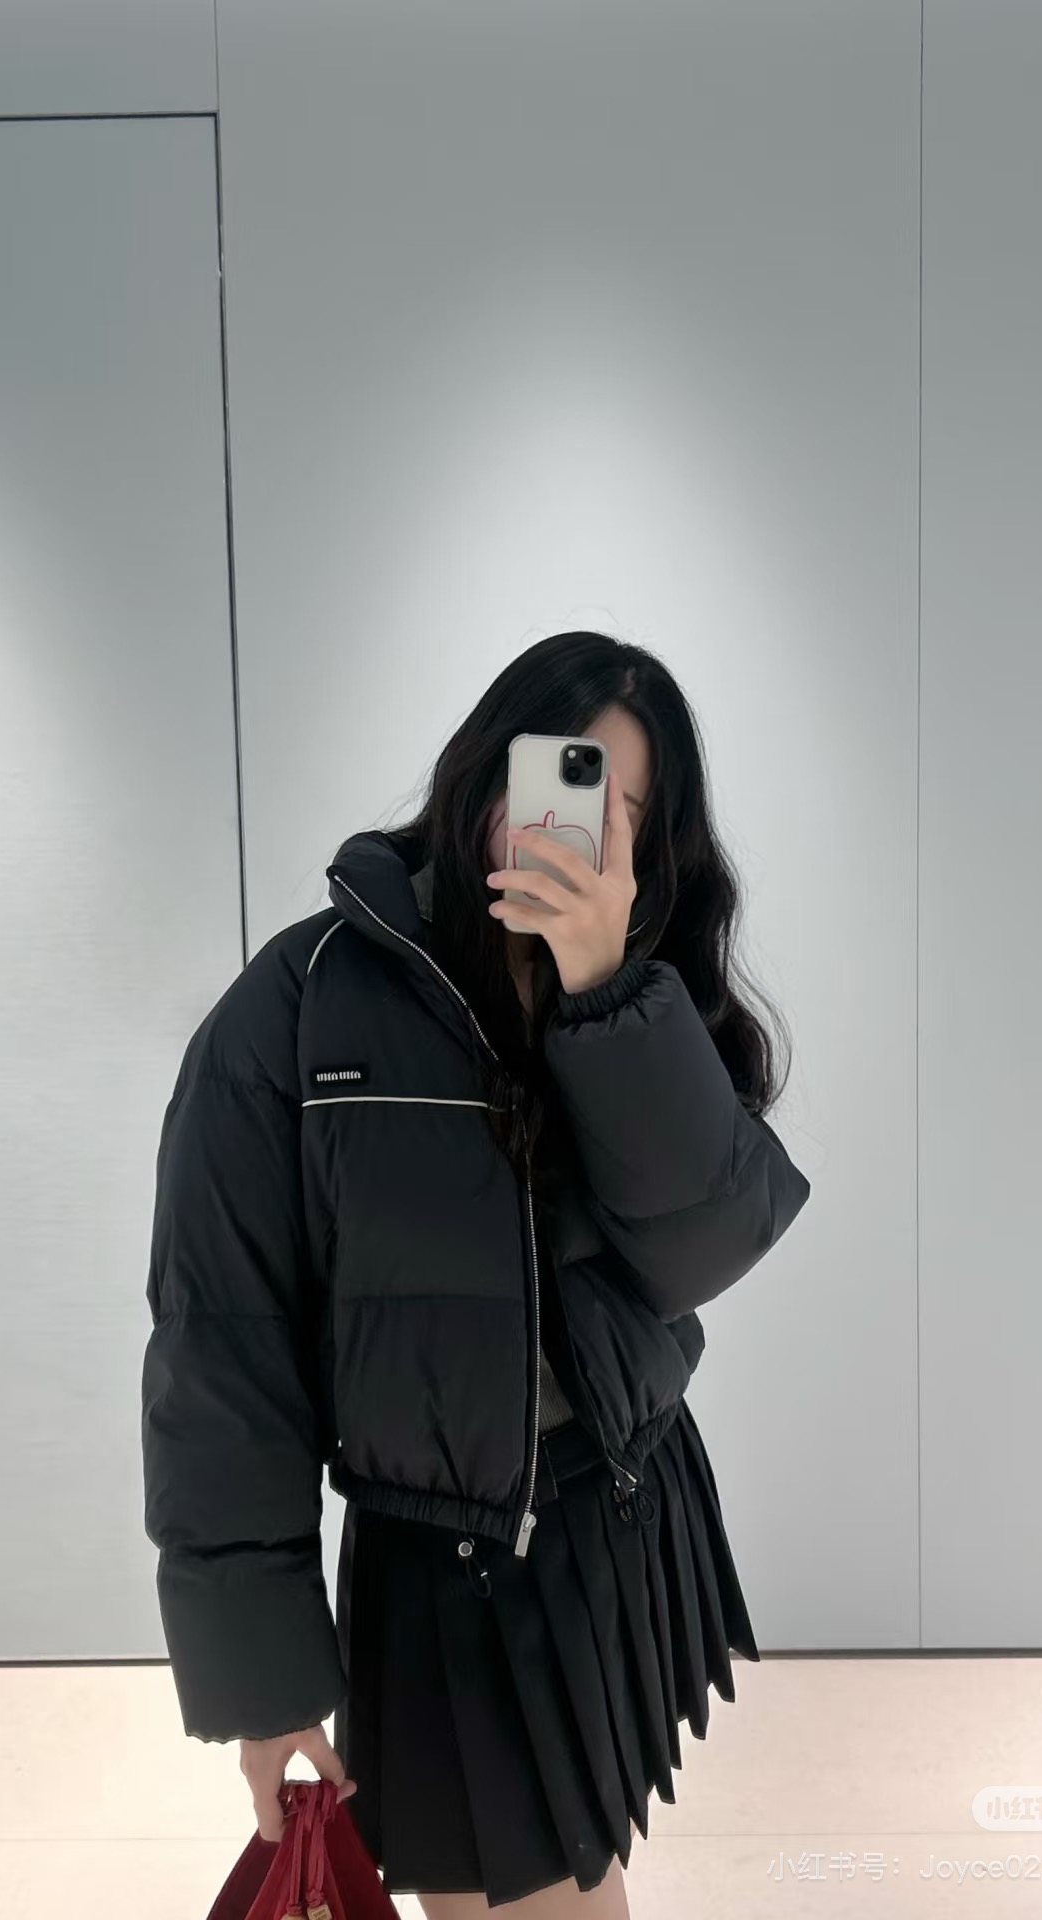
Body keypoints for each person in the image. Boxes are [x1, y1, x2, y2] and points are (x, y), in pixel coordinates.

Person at [141, 630, 812, 1916]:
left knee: (586, 1870)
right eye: (561, 775)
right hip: (448, 1570)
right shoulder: (299, 1006)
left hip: (623, 1502)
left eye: (623, 809)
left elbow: (704, 1246)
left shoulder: (641, 994)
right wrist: (265, 1683)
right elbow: (222, 1344)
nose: (580, 826)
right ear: (481, 771)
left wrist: (605, 994)